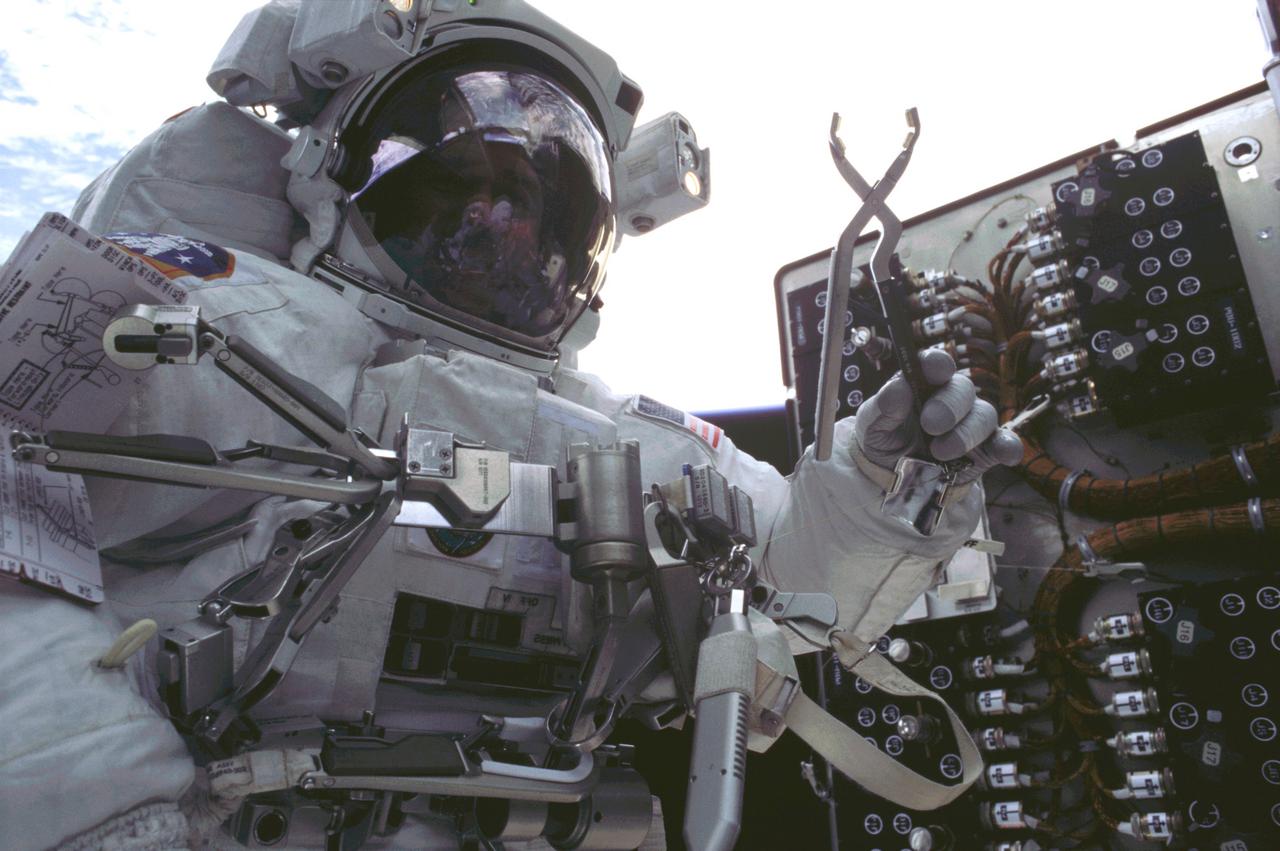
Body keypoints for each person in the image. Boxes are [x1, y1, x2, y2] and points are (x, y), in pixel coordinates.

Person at [0, 2, 1022, 848]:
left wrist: (875, 490)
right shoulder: (234, 326)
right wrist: (108, 804)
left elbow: (797, 598)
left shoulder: (615, 428)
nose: (494, 219)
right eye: (459, 179)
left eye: (531, 195)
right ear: (344, 178)